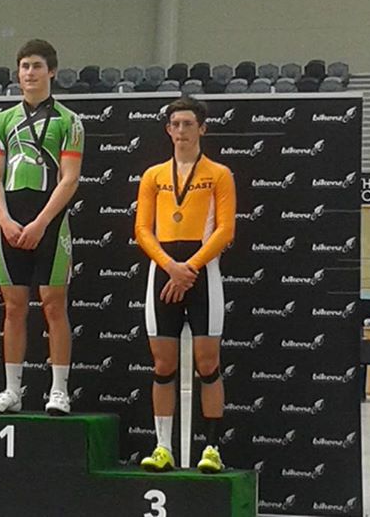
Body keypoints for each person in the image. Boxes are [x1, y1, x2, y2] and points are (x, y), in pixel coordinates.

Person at [0, 39, 84, 415]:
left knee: (54, 306)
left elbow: (69, 178)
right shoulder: (2, 119)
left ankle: (59, 391)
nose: (30, 73)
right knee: (13, 307)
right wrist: (5, 220)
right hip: (10, 220)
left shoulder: (69, 121)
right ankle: (12, 391)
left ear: (51, 71)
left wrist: (41, 222)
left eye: (37, 66)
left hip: (50, 222)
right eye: (24, 66)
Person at [134, 96, 236, 473]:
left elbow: (225, 230)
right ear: (167, 130)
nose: (181, 131)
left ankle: (212, 449)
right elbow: (142, 229)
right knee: (163, 364)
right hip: (163, 271)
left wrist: (188, 268)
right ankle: (163, 447)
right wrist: (170, 267)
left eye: (188, 124)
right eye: (175, 124)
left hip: (202, 272)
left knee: (208, 363)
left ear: (202, 129)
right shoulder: (153, 176)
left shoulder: (219, 174)